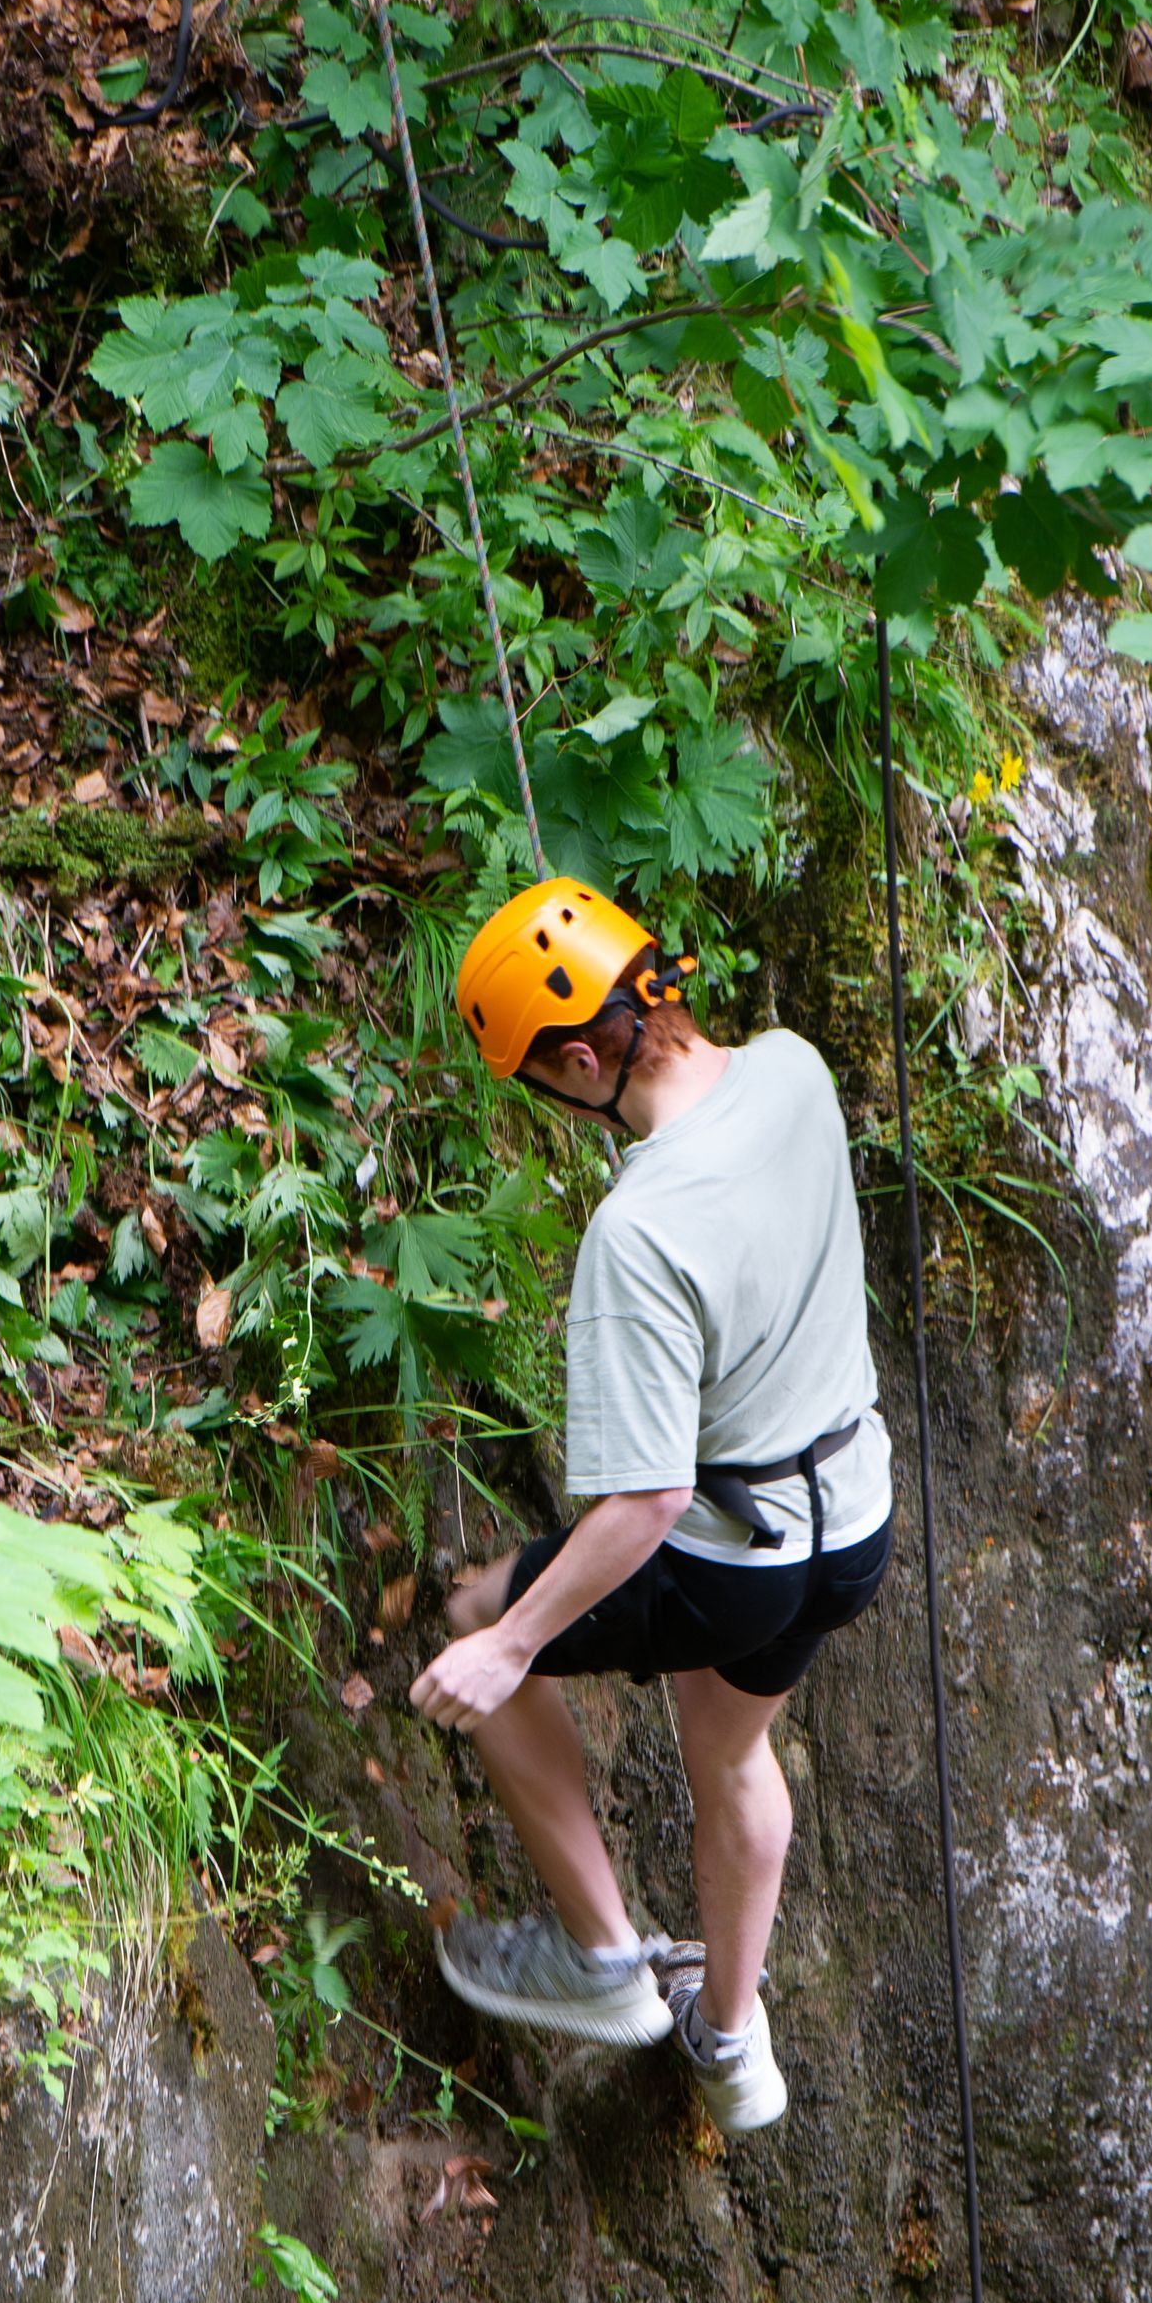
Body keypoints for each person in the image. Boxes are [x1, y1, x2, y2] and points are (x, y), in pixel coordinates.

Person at [408, 878, 893, 2132]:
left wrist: (510, 1641)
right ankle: (731, 2046)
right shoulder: (794, 1067)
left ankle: (602, 1962)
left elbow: (647, 1497)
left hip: (734, 1557)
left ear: (582, 1061)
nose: (547, 1104)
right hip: (851, 1522)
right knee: (730, 1749)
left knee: (480, 1621)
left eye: (538, 1081)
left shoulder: (637, 1231)